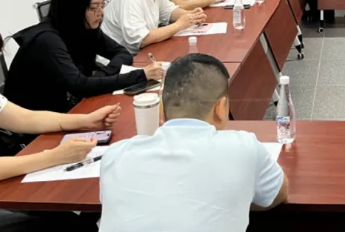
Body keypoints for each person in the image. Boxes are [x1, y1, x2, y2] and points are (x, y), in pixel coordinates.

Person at [0, 9, 122, 232]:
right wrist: (54, 157)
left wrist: (86, 121)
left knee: (64, 216)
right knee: (44, 225)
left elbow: (24, 118)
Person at [99, 54, 288, 232]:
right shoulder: (244, 147)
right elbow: (277, 194)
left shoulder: (114, 156)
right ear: (220, 108)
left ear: (161, 110)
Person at [5, 0, 164, 114]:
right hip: (39, 120)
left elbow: (122, 53)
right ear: (73, 10)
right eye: (94, 7)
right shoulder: (47, 40)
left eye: (102, 5)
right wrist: (141, 75)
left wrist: (99, 77)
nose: (100, 13)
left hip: (70, 107)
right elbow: (80, 86)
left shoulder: (84, 28)